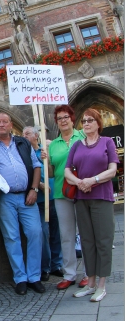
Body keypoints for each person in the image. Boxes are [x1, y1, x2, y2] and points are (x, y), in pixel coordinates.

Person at [0, 112, 44, 295]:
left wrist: (34, 189)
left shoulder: (23, 142)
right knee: (11, 237)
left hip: (27, 195)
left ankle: (34, 277)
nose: (1, 125)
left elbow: (36, 166)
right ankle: (20, 278)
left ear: (11, 125)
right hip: (5, 197)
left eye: (5, 121)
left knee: (35, 232)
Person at [65, 109, 119, 302]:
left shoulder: (107, 142)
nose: (86, 124)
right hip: (82, 198)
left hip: (102, 197)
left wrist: (92, 180)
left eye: (90, 121)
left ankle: (102, 286)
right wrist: (80, 182)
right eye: (84, 121)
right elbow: (67, 171)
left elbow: (113, 170)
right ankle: (90, 283)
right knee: (87, 241)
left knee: (103, 241)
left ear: (98, 123)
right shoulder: (77, 145)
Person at [46, 105, 88, 290]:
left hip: (84, 191)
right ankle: (70, 274)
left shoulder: (83, 137)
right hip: (62, 192)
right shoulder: (53, 144)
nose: (63, 121)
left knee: (86, 234)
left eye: (66, 117)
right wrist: (44, 160)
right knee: (66, 236)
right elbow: (52, 173)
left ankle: (89, 273)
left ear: (72, 119)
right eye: (59, 118)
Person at [23, 126, 63, 282]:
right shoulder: (25, 154)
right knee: (43, 233)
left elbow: (54, 170)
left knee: (56, 232)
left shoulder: (45, 151)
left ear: (36, 136)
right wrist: (38, 184)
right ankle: (45, 267)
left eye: (27, 134)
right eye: (23, 134)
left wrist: (48, 158)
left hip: (53, 197)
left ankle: (56, 264)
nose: (24, 136)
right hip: (39, 201)